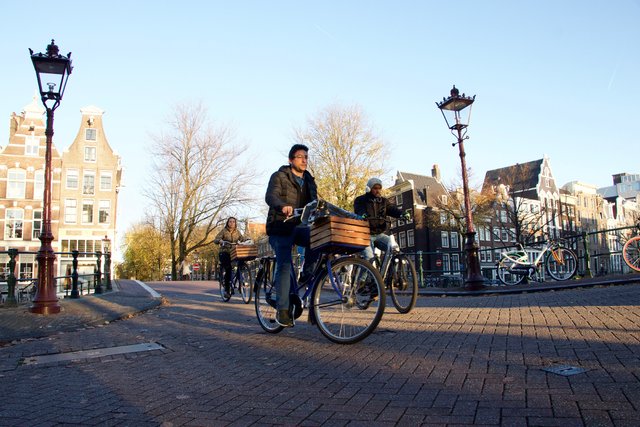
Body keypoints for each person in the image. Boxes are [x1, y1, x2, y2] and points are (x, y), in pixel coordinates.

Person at [265, 143, 319, 327]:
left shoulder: (309, 180)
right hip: (280, 226)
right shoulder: (279, 176)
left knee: (318, 240)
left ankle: (307, 273)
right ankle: (282, 310)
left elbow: (315, 203)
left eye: (306, 157)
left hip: (300, 226)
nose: (304, 160)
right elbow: (271, 196)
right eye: (300, 157)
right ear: (290, 160)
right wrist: (282, 206)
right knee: (285, 265)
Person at [354, 177, 410, 262]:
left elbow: (392, 209)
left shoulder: (384, 201)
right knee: (369, 258)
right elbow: (359, 209)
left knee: (395, 250)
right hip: (366, 235)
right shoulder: (361, 200)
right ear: (369, 189)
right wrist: (363, 215)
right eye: (375, 188)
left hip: (380, 235)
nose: (378, 191)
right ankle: (365, 271)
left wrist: (402, 214)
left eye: (379, 188)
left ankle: (389, 270)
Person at [214, 217, 248, 299]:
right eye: (230, 221)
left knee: (242, 263)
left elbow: (242, 239)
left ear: (235, 223)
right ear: (227, 223)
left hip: (234, 252)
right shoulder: (224, 231)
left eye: (233, 222)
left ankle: (241, 282)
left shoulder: (237, 232)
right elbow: (216, 239)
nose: (232, 223)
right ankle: (227, 289)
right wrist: (220, 241)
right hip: (225, 252)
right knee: (228, 268)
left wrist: (247, 240)